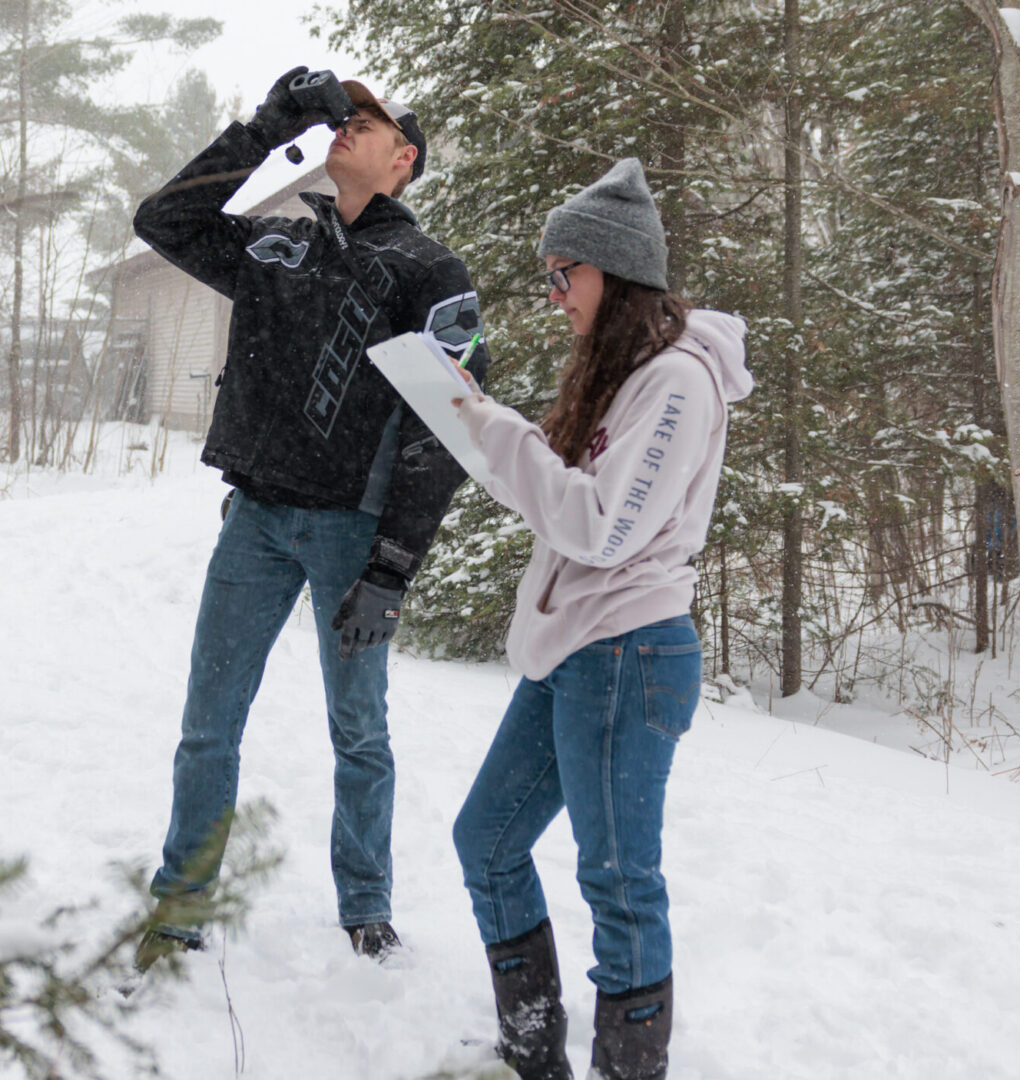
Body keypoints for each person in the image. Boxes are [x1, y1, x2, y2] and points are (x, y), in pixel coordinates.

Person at [131, 67, 491, 969]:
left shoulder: (429, 273)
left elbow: (446, 428)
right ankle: (179, 906)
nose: (345, 126)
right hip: (254, 522)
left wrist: (392, 567)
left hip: (350, 535)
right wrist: (267, 127)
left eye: (365, 122)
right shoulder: (279, 246)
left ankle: (366, 906)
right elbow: (164, 222)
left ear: (403, 158)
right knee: (208, 725)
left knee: (358, 730)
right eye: (339, 115)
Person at [446, 159, 752, 1079]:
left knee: (618, 882)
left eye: (562, 274)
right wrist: (468, 421)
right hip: (576, 649)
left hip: (629, 655)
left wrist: (501, 431)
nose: (551, 296)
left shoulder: (679, 385)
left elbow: (601, 527)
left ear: (613, 273)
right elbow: (559, 500)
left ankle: (629, 1068)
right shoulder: (625, 377)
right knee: (487, 841)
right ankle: (532, 1054)